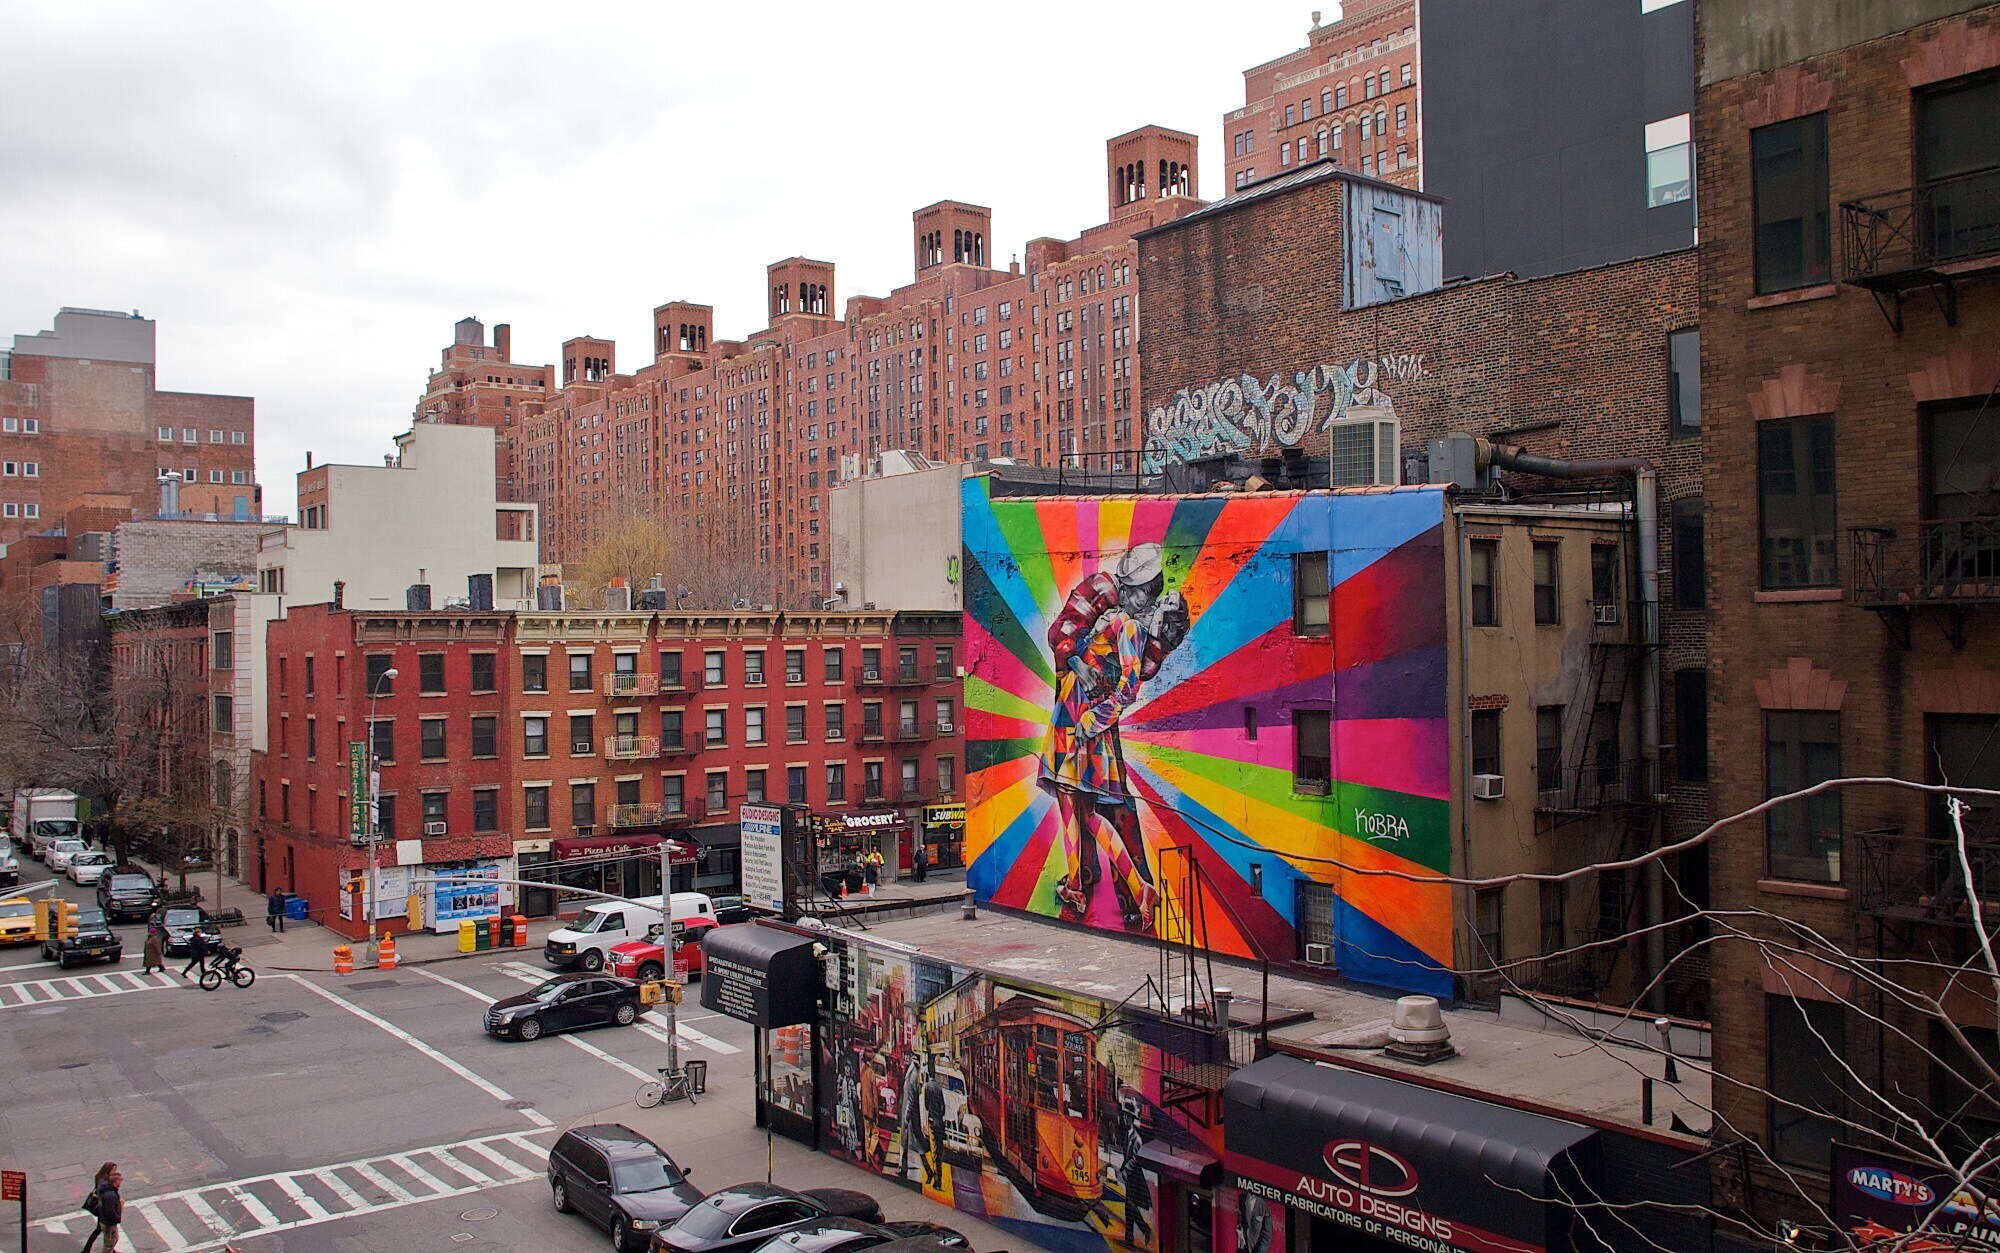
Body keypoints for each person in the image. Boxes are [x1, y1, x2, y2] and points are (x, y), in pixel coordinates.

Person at [80, 1162, 121, 1252]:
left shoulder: (101, 1178)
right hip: (102, 1209)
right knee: (101, 1230)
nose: (115, 1171)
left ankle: (108, 1249)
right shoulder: (104, 1182)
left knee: (101, 1230)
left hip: (101, 1208)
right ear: (108, 1170)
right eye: (113, 1170)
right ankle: (87, 1249)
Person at [922, 1058, 949, 1189]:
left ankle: (936, 1181)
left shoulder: (927, 1086)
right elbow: (943, 1107)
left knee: (934, 1152)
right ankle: (940, 1180)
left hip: (932, 1121)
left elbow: (926, 1106)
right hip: (940, 1122)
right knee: (940, 1152)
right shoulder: (939, 1088)